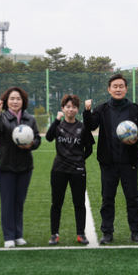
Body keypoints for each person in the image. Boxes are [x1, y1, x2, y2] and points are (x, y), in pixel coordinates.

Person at [83, 73, 138, 244]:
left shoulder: (134, 109)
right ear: (109, 89)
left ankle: (136, 232)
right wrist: (87, 111)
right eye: (115, 86)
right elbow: (91, 125)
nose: (118, 89)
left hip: (129, 162)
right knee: (107, 198)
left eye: (121, 86)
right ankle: (107, 233)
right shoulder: (102, 108)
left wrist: (136, 139)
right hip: (108, 162)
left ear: (126, 89)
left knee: (132, 198)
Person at [0, 86, 41, 248]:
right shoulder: (3, 117)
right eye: (12, 98)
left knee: (19, 202)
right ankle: (8, 236)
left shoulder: (29, 119)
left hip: (25, 166)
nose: (15, 101)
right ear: (6, 101)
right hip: (6, 165)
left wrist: (31, 144)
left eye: (18, 99)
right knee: (7, 202)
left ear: (23, 101)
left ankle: (18, 234)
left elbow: (38, 140)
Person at [45, 94, 95, 245]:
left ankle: (81, 234)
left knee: (79, 203)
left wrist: (79, 160)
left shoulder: (82, 127)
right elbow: (48, 137)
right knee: (56, 203)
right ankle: (54, 234)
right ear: (62, 108)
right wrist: (56, 120)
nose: (70, 109)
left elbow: (90, 149)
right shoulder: (58, 126)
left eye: (73, 107)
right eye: (67, 107)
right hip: (59, 170)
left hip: (77, 170)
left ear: (77, 109)